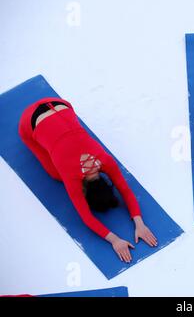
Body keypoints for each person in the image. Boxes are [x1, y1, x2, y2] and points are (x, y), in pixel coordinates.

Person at [19, 97, 158, 263]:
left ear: (105, 182)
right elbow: (86, 217)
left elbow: (125, 191)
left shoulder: (105, 161)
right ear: (83, 191)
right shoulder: (70, 177)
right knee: (55, 175)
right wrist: (117, 238)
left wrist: (139, 224)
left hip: (60, 104)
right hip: (28, 120)